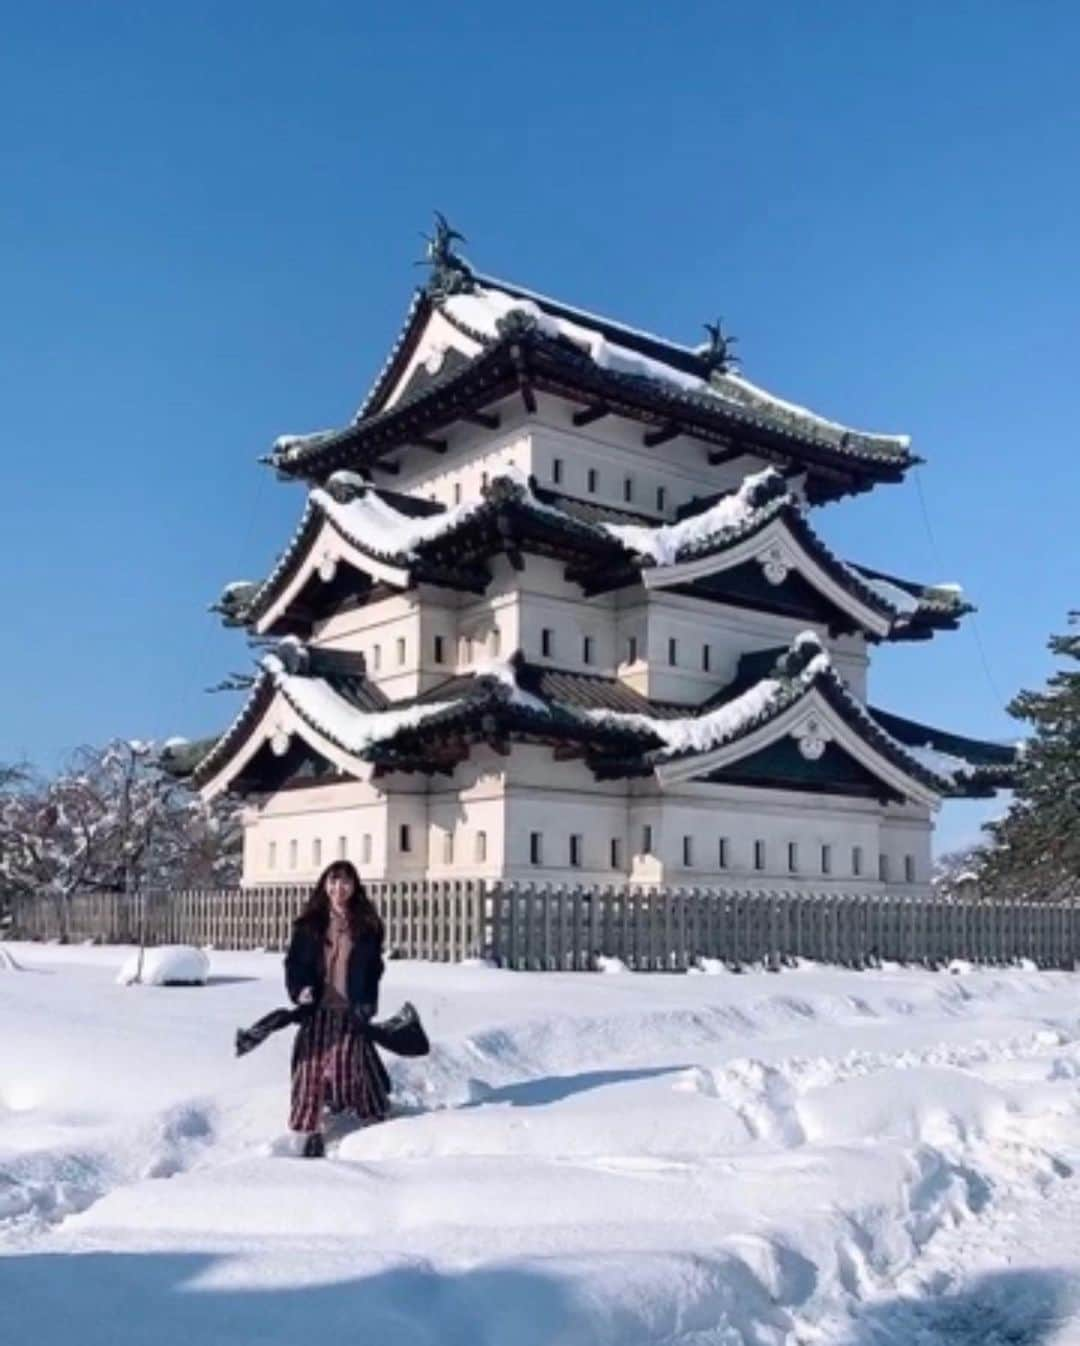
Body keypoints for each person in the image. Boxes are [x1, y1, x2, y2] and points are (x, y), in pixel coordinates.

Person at [284, 860, 390, 1157]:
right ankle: (309, 1129)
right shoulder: (310, 924)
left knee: (347, 1063)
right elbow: (294, 963)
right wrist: (299, 989)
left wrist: (367, 1001)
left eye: (345, 882)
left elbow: (373, 969)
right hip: (317, 1006)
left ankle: (372, 1115)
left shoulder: (367, 926)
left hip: (349, 1007)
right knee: (310, 1067)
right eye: (333, 882)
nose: (338, 888)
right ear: (324, 885)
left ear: (354, 887)